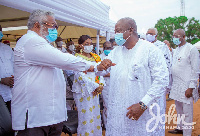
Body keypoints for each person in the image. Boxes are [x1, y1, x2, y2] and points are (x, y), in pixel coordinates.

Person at [12, 9, 113, 136]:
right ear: (38, 25)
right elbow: (64, 60)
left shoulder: (44, 44)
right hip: (35, 116)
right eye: (53, 25)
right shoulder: (30, 41)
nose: (55, 29)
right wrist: (94, 66)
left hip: (50, 115)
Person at [96, 17, 169, 136]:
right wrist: (101, 67)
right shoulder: (116, 52)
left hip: (144, 112)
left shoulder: (150, 50)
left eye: (118, 31)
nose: (116, 35)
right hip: (119, 112)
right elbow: (101, 72)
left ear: (130, 30)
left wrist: (143, 104)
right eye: (115, 31)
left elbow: (162, 80)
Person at [168, 29, 199, 136]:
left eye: (177, 36)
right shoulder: (177, 50)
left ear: (184, 37)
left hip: (186, 87)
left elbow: (196, 70)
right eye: (174, 36)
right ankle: (180, 128)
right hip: (177, 86)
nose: (175, 38)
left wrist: (191, 87)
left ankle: (187, 133)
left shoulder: (191, 49)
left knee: (187, 113)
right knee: (179, 110)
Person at [72, 35, 104, 136]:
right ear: (80, 45)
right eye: (86, 44)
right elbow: (79, 75)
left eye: (90, 44)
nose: (89, 46)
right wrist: (95, 86)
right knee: (86, 117)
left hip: (95, 90)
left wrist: (101, 84)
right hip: (83, 91)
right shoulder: (77, 58)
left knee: (95, 115)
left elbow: (100, 71)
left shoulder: (95, 57)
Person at [0, 25, 14, 114]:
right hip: (0, 94)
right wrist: (1, 80)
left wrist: (13, 79)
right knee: (5, 124)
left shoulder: (7, 48)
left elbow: (15, 66)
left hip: (11, 93)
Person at [99, 41, 113, 129]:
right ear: (103, 48)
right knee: (107, 106)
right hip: (105, 85)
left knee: (113, 106)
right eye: (106, 48)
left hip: (114, 84)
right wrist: (112, 74)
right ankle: (107, 127)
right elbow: (100, 72)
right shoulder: (100, 58)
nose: (108, 50)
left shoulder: (114, 56)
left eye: (110, 48)